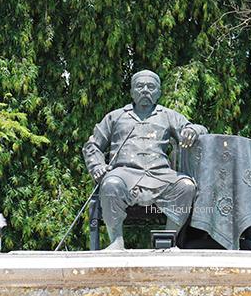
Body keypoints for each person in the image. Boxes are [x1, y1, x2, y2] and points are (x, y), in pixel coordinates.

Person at [83, 70, 207, 249]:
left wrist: (193, 131)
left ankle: (166, 242)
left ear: (158, 93)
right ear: (132, 92)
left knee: (186, 186)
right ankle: (116, 242)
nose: (145, 90)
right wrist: (97, 166)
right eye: (140, 86)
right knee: (110, 184)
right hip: (124, 174)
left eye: (151, 87)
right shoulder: (116, 116)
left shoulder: (168, 115)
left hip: (160, 174)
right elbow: (92, 145)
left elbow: (195, 128)